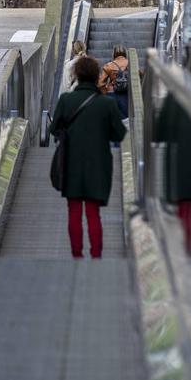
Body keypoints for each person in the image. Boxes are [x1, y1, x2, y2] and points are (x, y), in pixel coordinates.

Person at [51, 54, 126, 259]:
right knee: (93, 213)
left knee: (73, 211)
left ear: (76, 75)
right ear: (95, 76)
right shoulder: (106, 105)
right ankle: (96, 255)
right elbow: (119, 134)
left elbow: (53, 128)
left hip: (71, 163)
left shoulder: (66, 100)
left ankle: (77, 255)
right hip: (98, 165)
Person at [156, 92, 191, 257]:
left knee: (183, 206)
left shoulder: (172, 99)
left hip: (178, 161)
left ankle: (183, 251)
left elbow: (159, 133)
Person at [98, 43, 129, 120]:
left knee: (112, 118)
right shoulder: (131, 64)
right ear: (125, 53)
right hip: (126, 94)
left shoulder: (109, 65)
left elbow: (100, 83)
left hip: (111, 94)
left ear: (114, 54)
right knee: (126, 118)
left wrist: (105, 93)